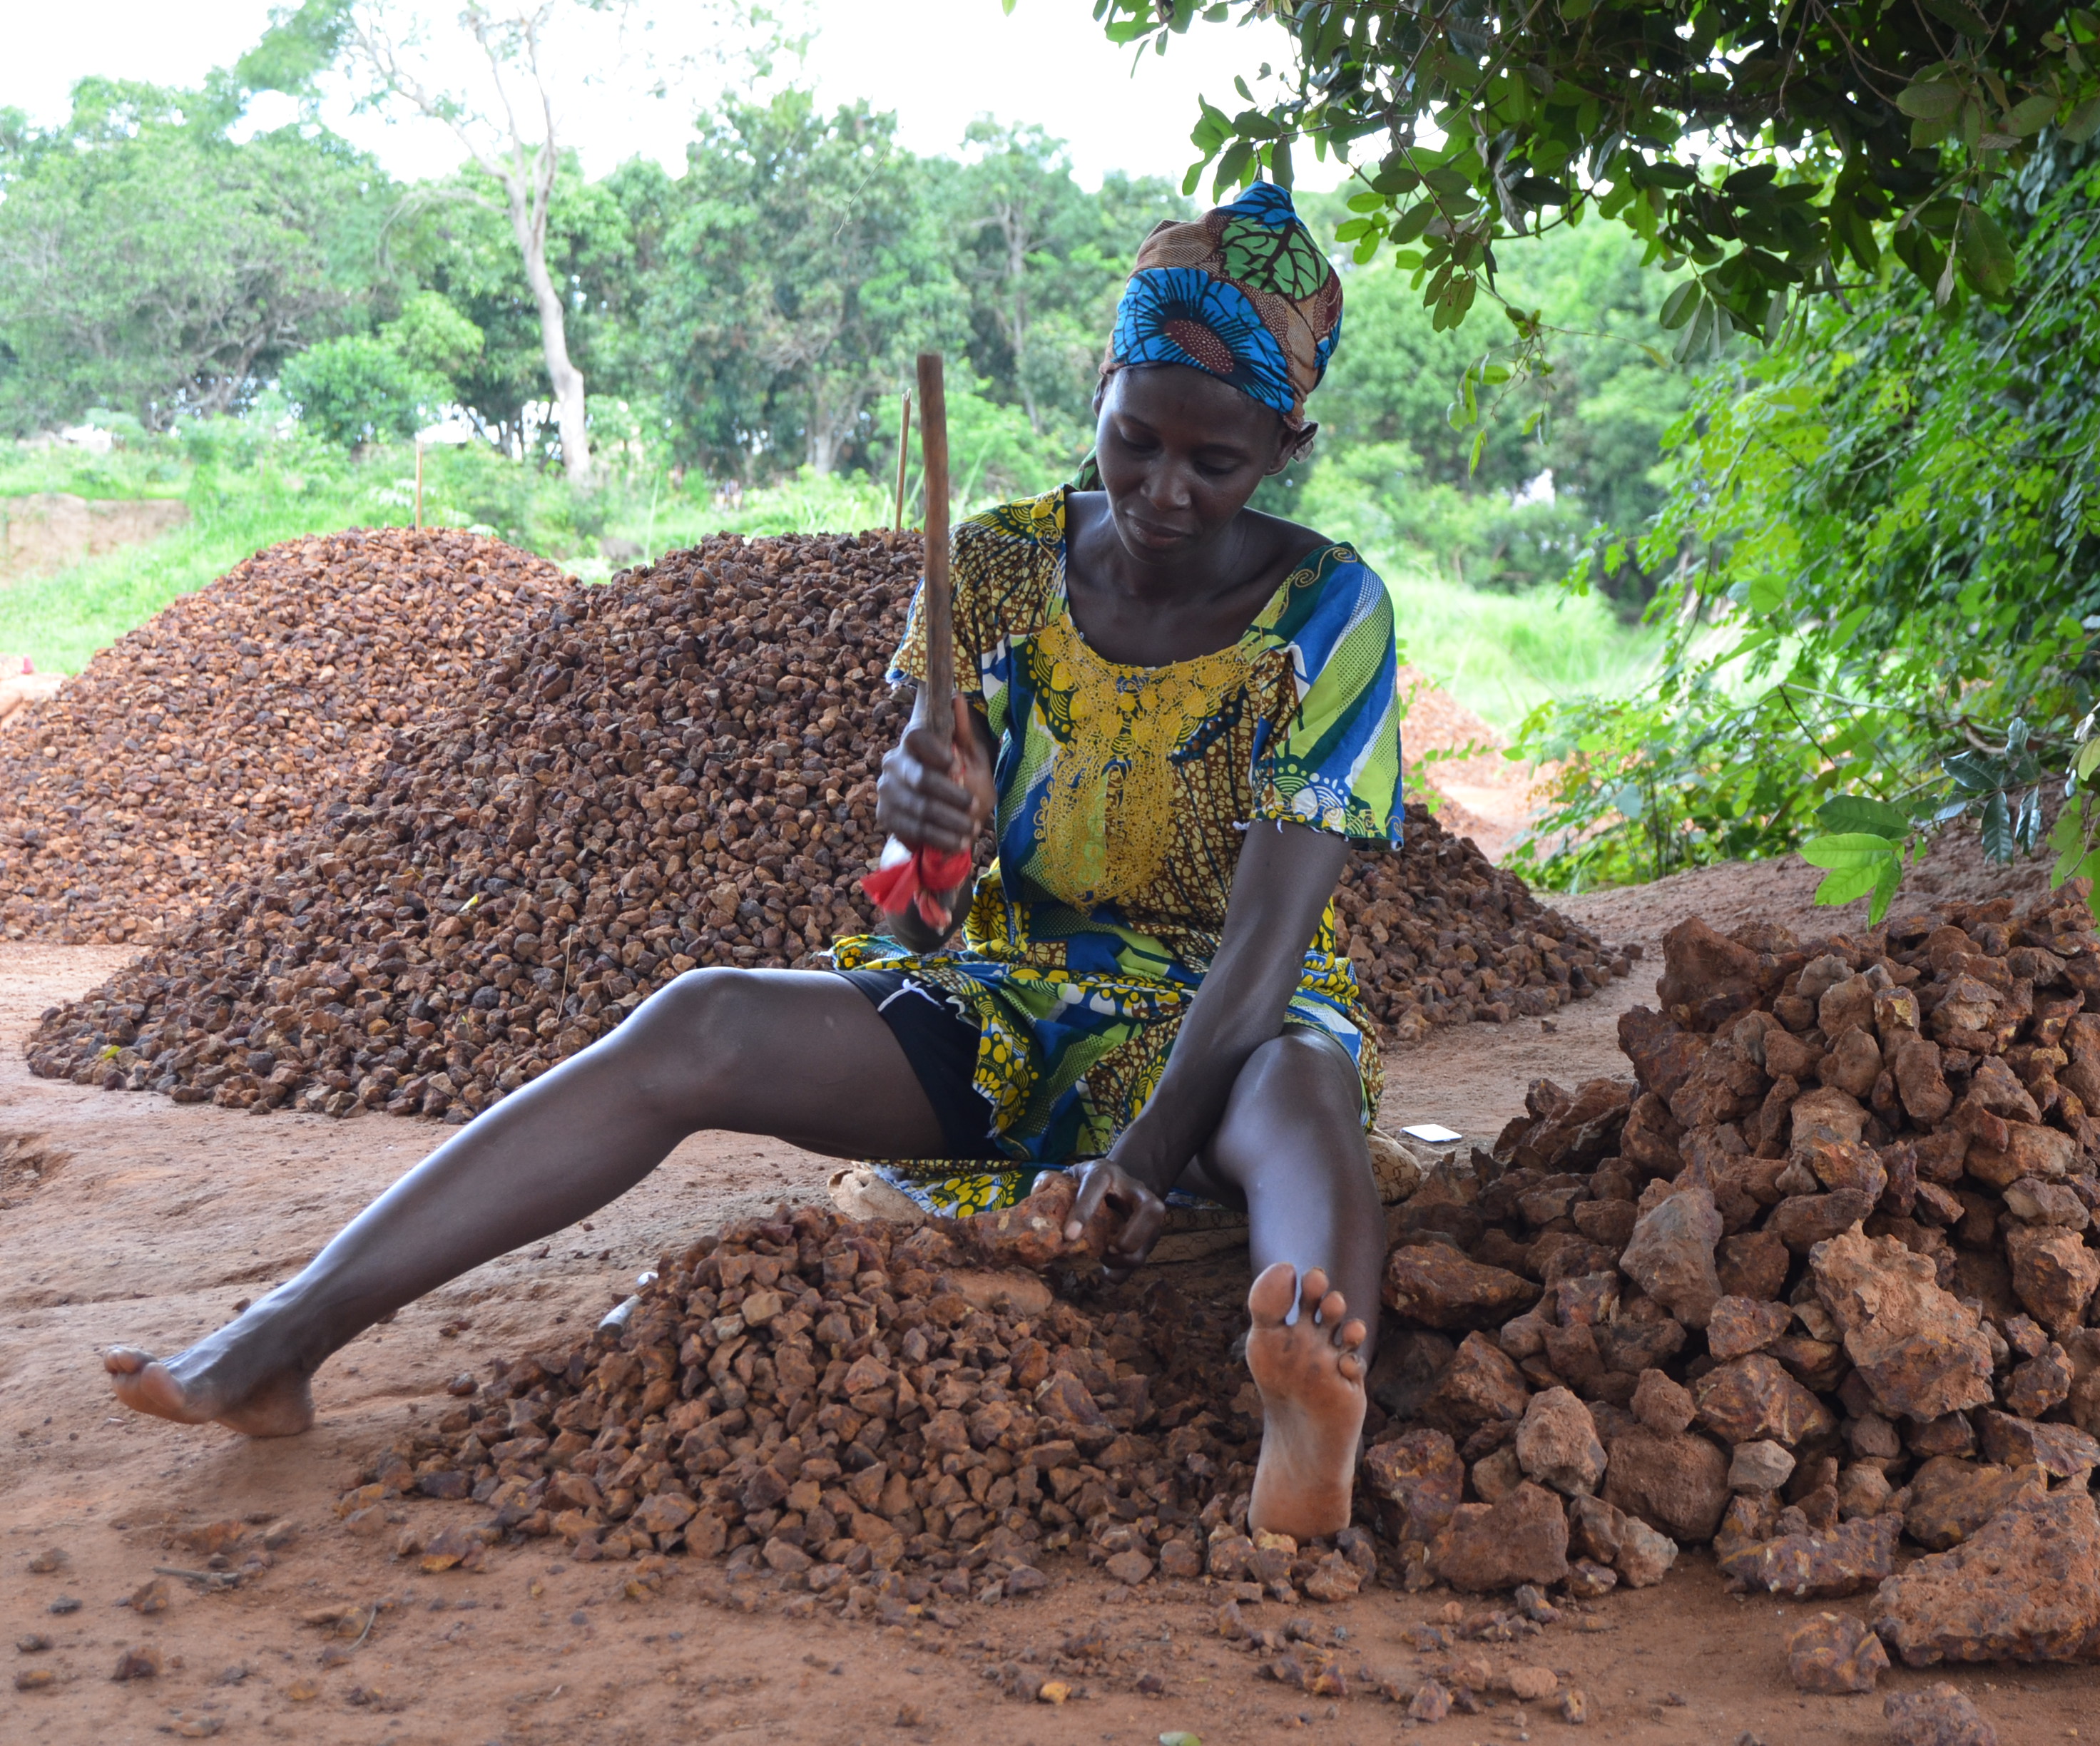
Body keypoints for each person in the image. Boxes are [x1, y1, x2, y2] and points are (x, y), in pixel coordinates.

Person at [104, 183, 1401, 1541]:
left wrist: (1137, 1157)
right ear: (1100, 390)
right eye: (1135, 443)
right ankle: (287, 1336)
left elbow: (1263, 950)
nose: (1164, 492)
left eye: (1218, 465)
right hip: (1009, 1010)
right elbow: (923, 898)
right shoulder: (1005, 566)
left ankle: (1310, 1419)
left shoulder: (1329, 614)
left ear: (1285, 447)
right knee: (700, 1018)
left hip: (1230, 1030)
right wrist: (922, 821)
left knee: (1304, 1097)